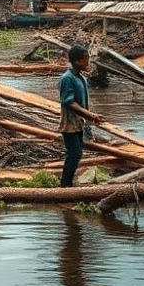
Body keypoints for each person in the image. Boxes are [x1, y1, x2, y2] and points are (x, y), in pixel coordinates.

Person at [59, 45, 103, 187]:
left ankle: (67, 184)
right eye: (86, 60)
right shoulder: (67, 78)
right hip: (70, 123)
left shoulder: (81, 79)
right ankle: (65, 186)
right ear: (77, 61)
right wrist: (90, 115)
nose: (88, 63)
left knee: (76, 153)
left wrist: (90, 117)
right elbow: (70, 103)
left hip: (79, 123)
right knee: (74, 153)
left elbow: (83, 103)